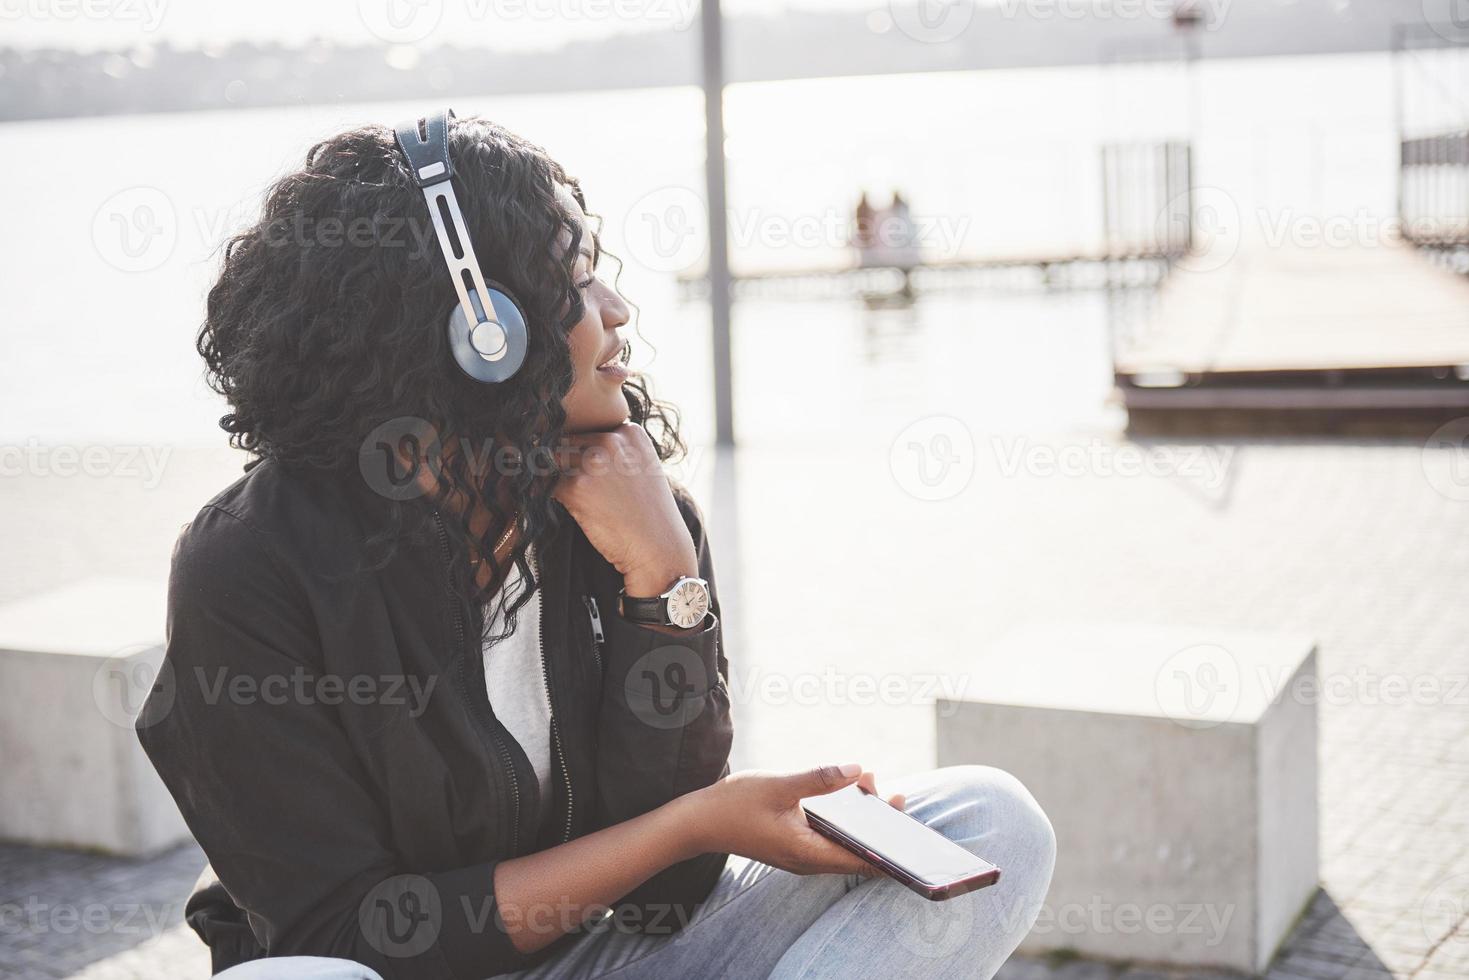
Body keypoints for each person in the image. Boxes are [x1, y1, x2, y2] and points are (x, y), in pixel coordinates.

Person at [138, 112, 1055, 980]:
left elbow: (670, 898)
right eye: (575, 279)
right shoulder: (251, 567)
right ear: (479, 330)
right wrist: (692, 826)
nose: (616, 308)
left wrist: (664, 585)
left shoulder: (631, 516)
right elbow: (350, 930)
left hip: (609, 955)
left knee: (986, 822)